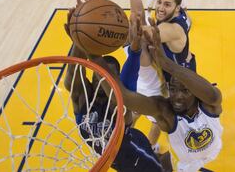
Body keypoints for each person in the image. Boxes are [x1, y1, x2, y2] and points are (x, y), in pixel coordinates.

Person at [82, 13, 223, 171]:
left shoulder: (209, 105)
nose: (177, 96)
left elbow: (213, 95)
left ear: (196, 94)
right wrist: (93, 56)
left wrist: (165, 62)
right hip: (182, 166)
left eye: (185, 91)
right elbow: (124, 97)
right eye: (173, 89)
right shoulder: (165, 111)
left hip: (213, 151)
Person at [63, 0, 163, 172]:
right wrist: (79, 36)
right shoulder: (83, 100)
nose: (103, 78)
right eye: (98, 74)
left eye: (110, 74)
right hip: (113, 158)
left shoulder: (120, 99)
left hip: (137, 154)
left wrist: (134, 47)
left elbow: (132, 63)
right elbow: (73, 74)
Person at [118, 0, 197, 151]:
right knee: (145, 112)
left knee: (160, 119)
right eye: (159, 2)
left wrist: (117, 28)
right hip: (169, 72)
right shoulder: (174, 17)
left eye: (167, 4)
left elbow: (140, 27)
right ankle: (124, 135)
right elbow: (139, 17)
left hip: (178, 82)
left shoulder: (171, 29)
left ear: (178, 7)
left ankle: (149, 146)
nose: (160, 8)